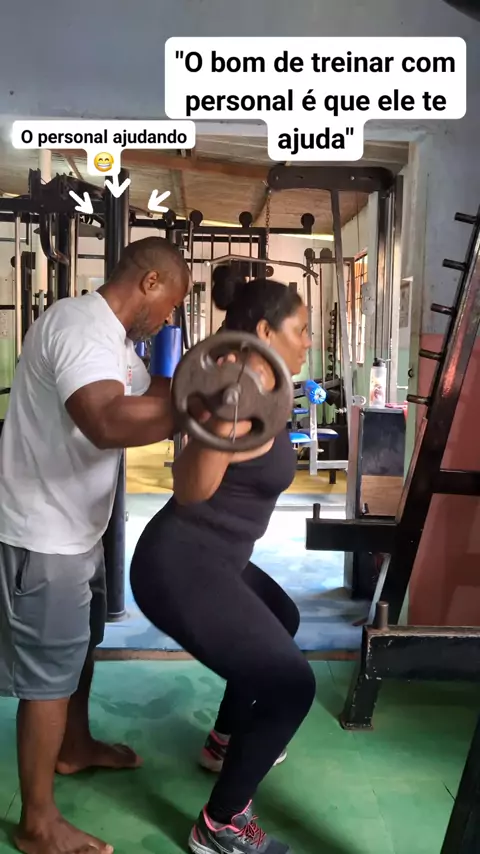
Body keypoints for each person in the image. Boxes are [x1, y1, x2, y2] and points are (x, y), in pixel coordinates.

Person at [0, 236, 190, 854]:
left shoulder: (117, 344)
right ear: (150, 282)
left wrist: (192, 377)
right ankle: (37, 821)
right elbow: (106, 421)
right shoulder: (80, 326)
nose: (168, 317)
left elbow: (153, 397)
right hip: (45, 536)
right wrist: (200, 408)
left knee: (80, 651)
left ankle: (74, 747)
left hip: (80, 529)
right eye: (170, 304)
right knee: (47, 678)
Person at [130, 277, 315, 854]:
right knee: (292, 687)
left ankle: (224, 741)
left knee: (281, 617)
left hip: (218, 558)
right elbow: (189, 490)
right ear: (265, 332)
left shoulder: (263, 388)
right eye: (301, 329)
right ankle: (221, 826)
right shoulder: (236, 397)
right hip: (181, 565)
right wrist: (221, 416)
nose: (308, 341)